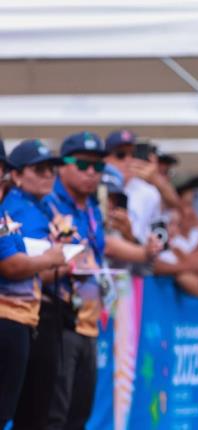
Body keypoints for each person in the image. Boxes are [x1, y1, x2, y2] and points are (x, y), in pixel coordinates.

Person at [42, 131, 109, 429]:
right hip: (59, 319)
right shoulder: (48, 203)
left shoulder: (92, 208)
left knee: (79, 415)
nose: (92, 173)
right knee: (54, 414)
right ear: (62, 165)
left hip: (89, 321)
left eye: (98, 166)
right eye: (83, 165)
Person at [0, 139, 67, 429]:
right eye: (39, 169)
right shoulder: (16, 209)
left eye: (51, 169)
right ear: (15, 175)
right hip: (9, 318)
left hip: (22, 320)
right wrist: (52, 257)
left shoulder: (7, 215)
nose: (48, 175)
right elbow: (12, 265)